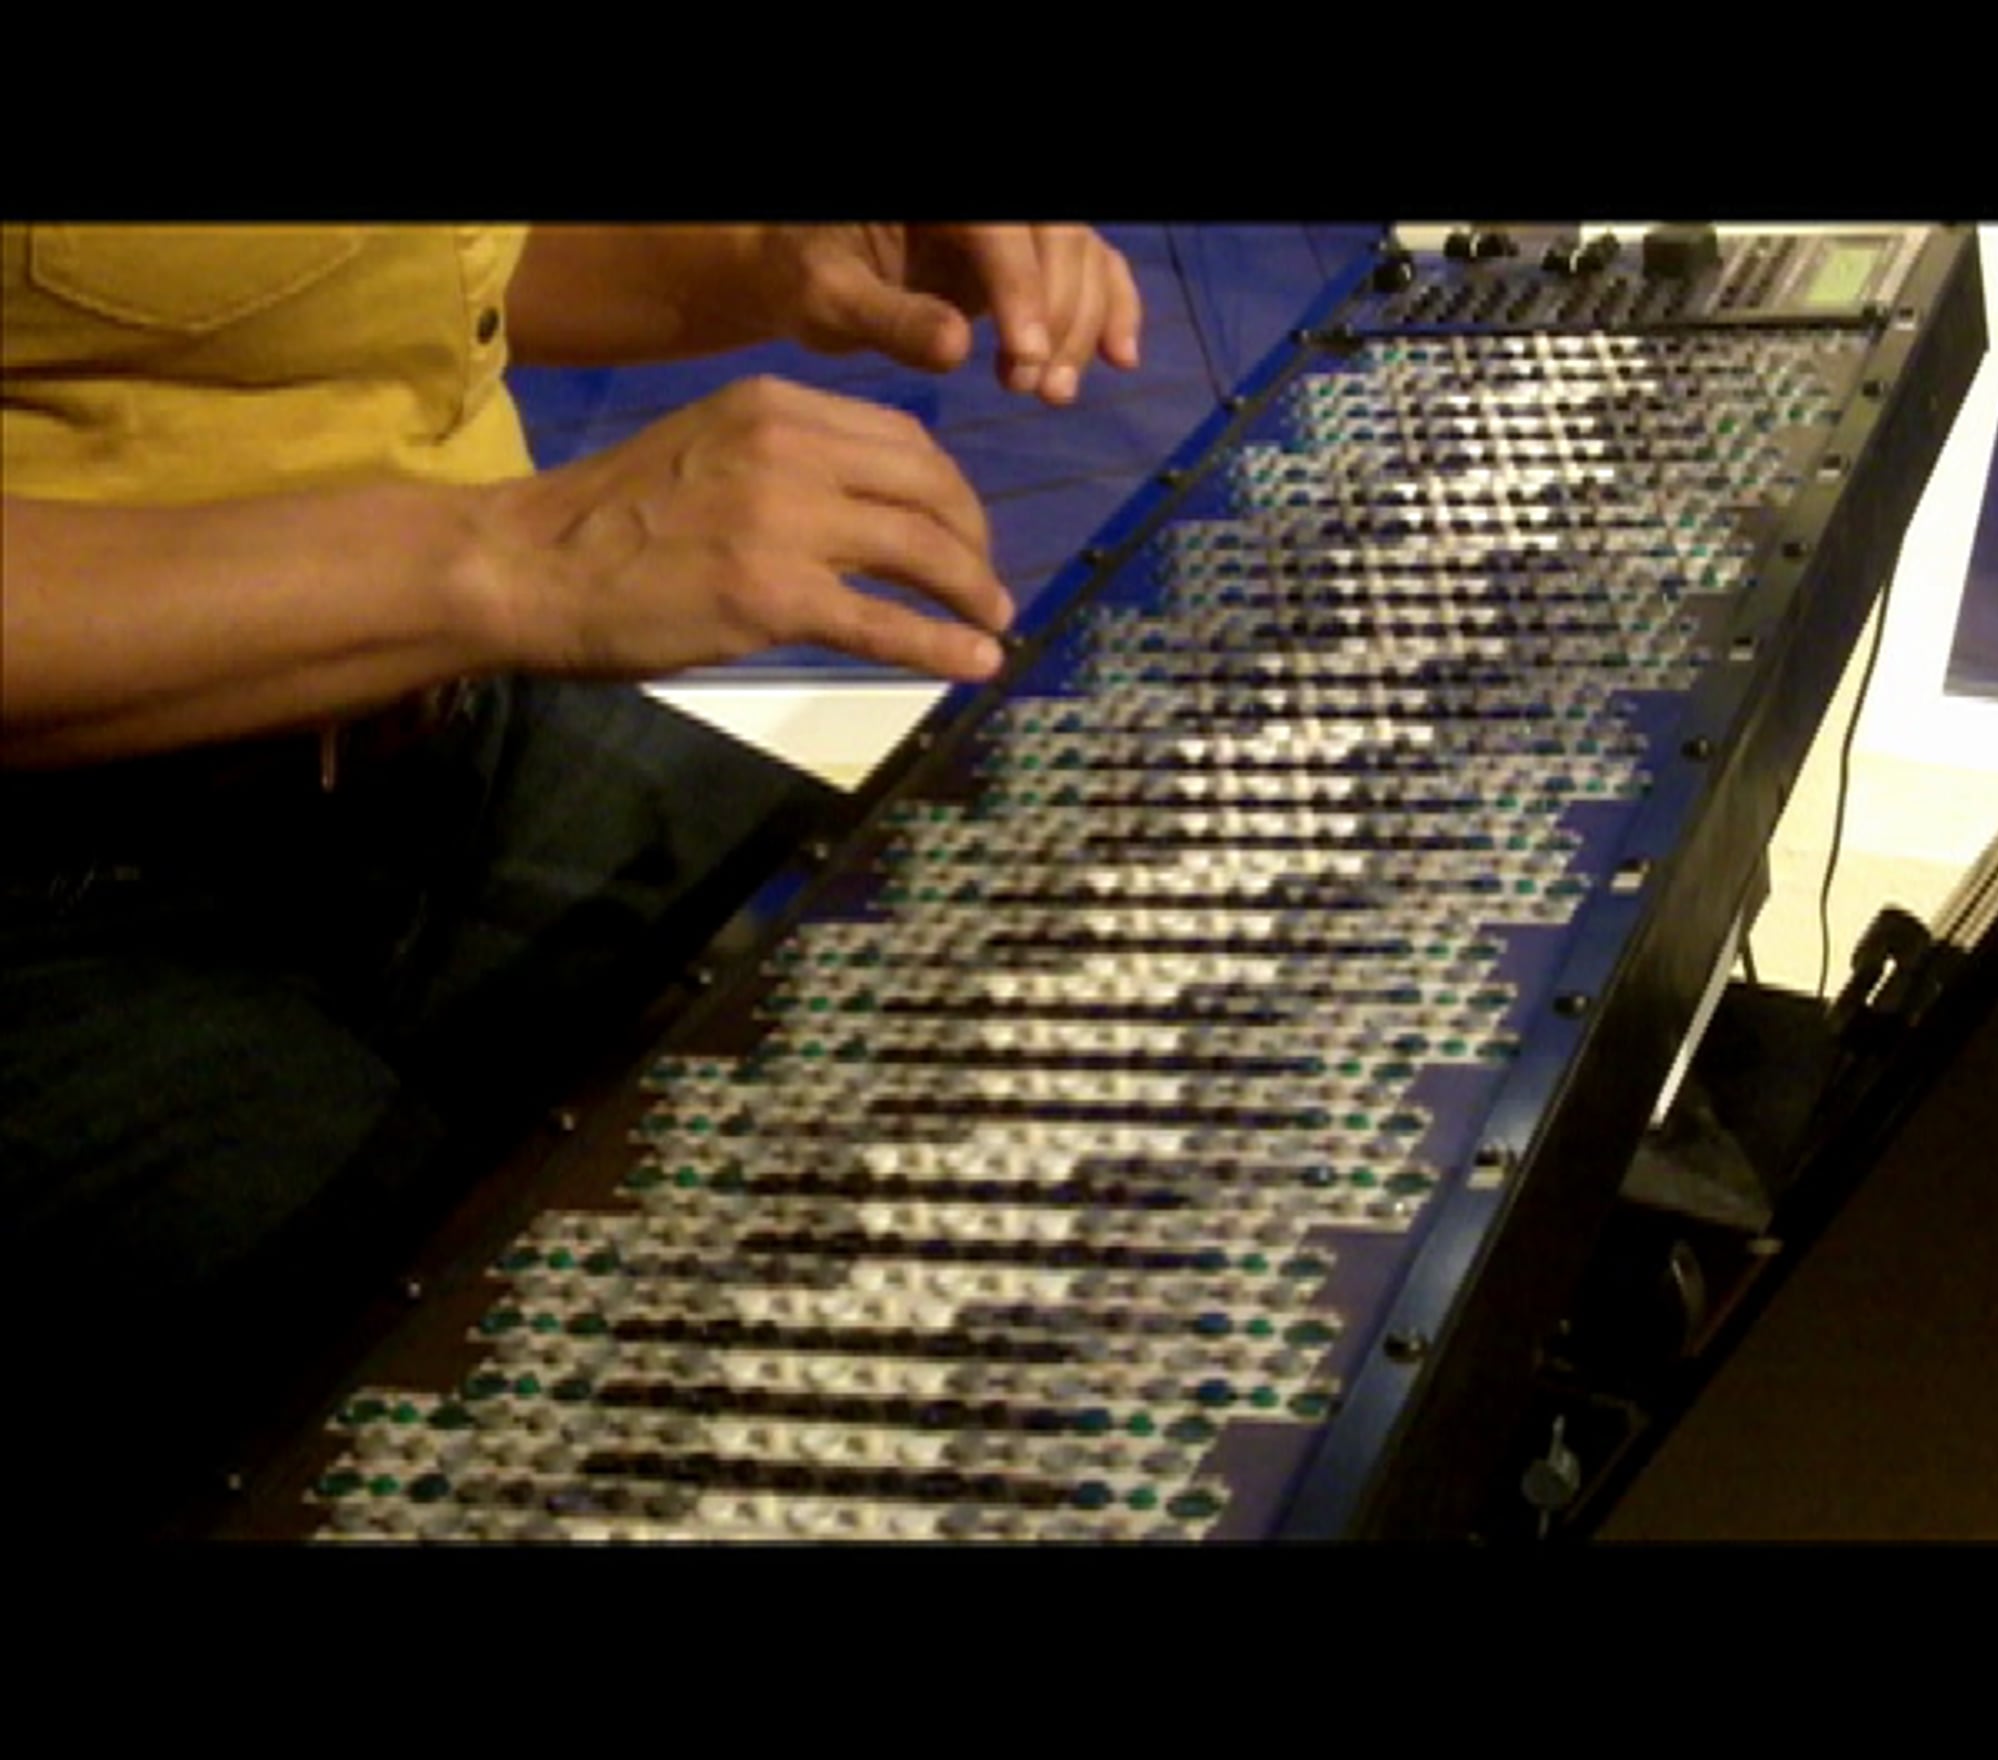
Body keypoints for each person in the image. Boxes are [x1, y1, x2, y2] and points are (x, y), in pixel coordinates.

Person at [0, 224, 1144, 1531]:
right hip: (57, 877)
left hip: (440, 707)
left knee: (971, 1018)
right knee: (508, 1423)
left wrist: (778, 255)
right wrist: (514, 560)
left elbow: (421, 274)